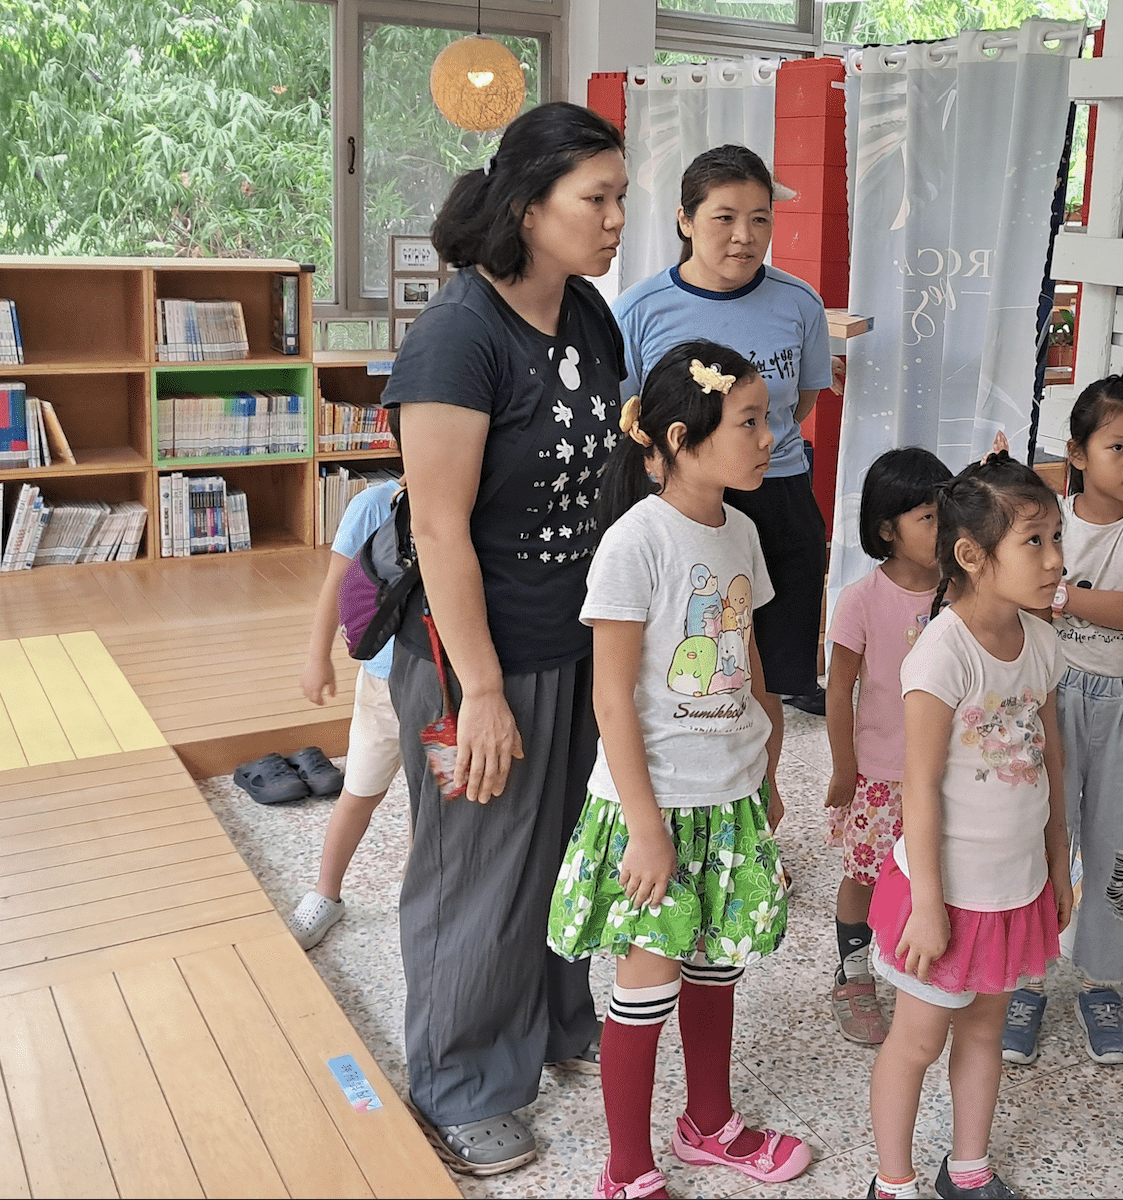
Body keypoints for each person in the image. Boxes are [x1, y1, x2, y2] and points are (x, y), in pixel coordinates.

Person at [379, 100, 629, 1176]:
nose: (619, 218)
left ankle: (550, 1023)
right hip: (478, 653)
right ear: (529, 210)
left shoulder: (586, 315)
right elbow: (438, 528)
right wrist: (478, 691)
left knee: (570, 846)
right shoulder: (456, 336)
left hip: (576, 641)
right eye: (598, 199)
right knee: (479, 866)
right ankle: (458, 1078)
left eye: (621, 196)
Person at [547, 341, 813, 1200]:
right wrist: (649, 826)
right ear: (680, 437)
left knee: (715, 964)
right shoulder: (635, 544)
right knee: (647, 982)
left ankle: (709, 1125)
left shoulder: (741, 530)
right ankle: (625, 1171)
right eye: (749, 422)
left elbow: (751, 670)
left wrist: (765, 769)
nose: (770, 436)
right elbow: (613, 702)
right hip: (651, 808)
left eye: (766, 417)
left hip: (727, 798)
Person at [867, 450, 1074, 1200]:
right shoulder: (941, 654)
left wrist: (1058, 867)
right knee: (917, 1042)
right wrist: (927, 902)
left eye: (1058, 539)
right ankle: (892, 1183)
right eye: (1035, 542)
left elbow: (1053, 767)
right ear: (972, 556)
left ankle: (969, 1171)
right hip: (945, 898)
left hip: (1012, 892)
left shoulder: (1043, 643)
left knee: (985, 1032)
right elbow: (916, 788)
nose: (1056, 560)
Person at [613, 144, 834, 713]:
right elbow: (632, 418)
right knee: (694, 659)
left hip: (777, 491)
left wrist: (746, 447)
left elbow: (799, 403)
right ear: (686, 221)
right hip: (678, 504)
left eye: (760, 219)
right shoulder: (639, 310)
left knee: (772, 670)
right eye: (725, 217)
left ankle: (763, 789)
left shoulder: (800, 303)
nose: (745, 235)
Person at [1004, 377, 1123, 1068]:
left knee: (1118, 847)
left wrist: (1061, 594)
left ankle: (1101, 982)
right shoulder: (1050, 517)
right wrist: (1064, 600)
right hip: (1049, 694)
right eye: (1117, 447)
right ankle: (1026, 980)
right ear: (1077, 453)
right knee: (1042, 835)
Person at [823, 447, 953, 1045]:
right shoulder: (861, 599)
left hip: (948, 770)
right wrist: (844, 767)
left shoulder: (960, 594)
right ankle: (852, 970)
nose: (943, 528)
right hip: (881, 771)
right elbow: (840, 687)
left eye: (946, 513)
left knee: (932, 870)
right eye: (928, 517)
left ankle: (916, 966)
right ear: (886, 530)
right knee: (865, 871)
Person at [291, 471, 406, 949]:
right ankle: (326, 894)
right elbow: (337, 585)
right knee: (359, 791)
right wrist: (318, 658)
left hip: (446, 695)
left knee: (436, 801)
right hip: (383, 685)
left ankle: (418, 901)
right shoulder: (373, 506)